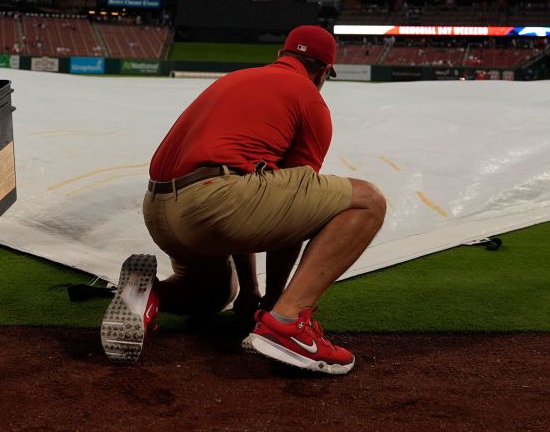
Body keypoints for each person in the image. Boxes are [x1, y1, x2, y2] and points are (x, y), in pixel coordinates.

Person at [101, 26, 386, 376]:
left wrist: (249, 291)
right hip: (212, 204)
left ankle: (147, 294)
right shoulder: (309, 98)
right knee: (368, 200)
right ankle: (287, 323)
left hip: (159, 209)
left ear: (283, 55)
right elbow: (292, 208)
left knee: (217, 293)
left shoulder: (236, 78)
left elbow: (259, 189)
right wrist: (274, 300)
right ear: (323, 70)